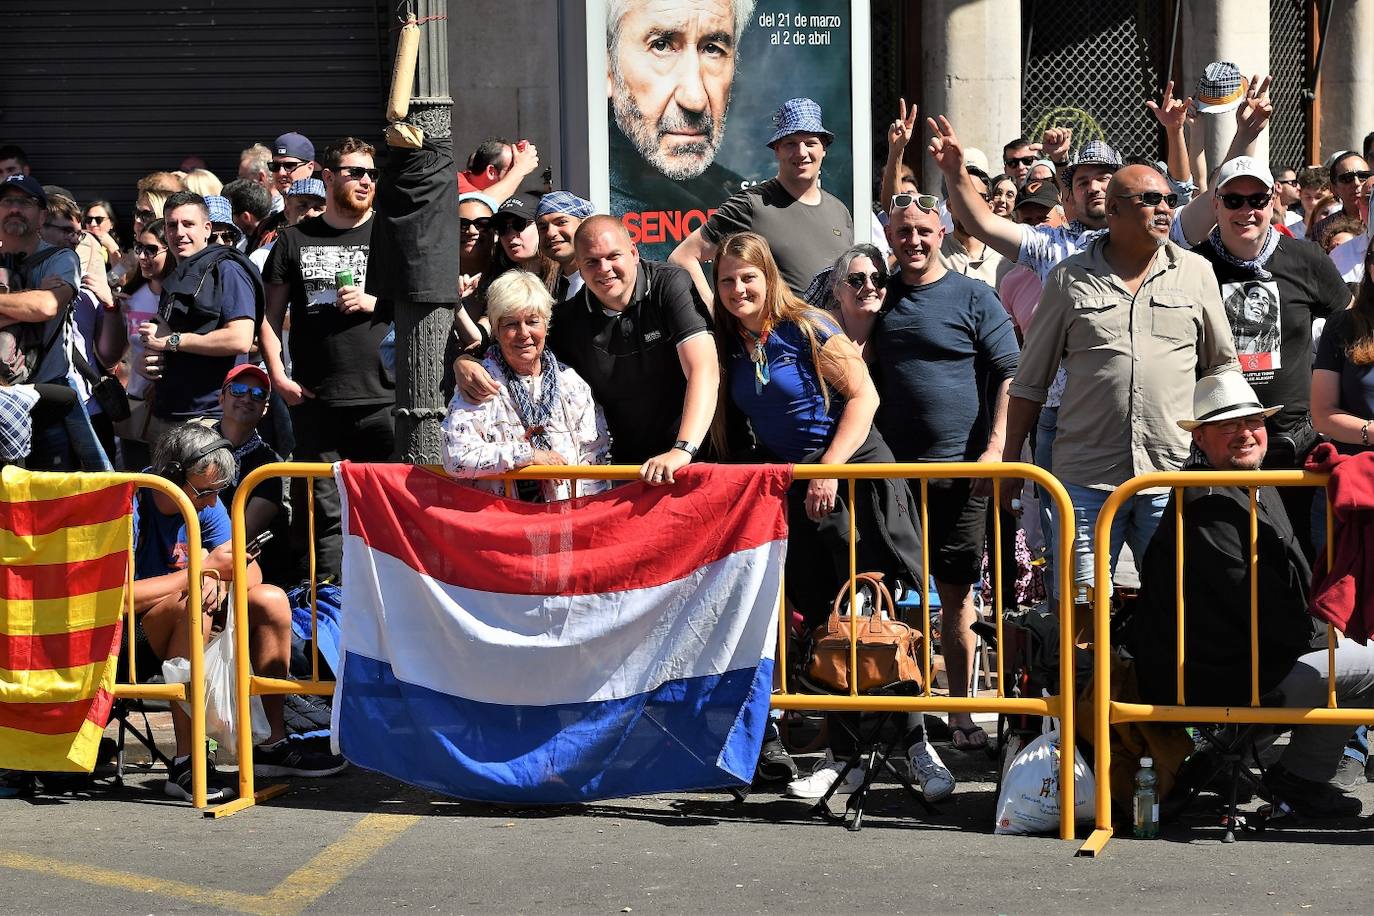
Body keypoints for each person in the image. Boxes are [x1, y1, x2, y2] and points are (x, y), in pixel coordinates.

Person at [708, 232, 948, 802]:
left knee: (881, 614)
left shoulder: (810, 325)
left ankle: (914, 746)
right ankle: (845, 758)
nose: (738, 289)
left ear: (769, 277)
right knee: (825, 619)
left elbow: (864, 397)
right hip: (796, 486)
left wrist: (831, 470)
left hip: (855, 476)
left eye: (749, 277)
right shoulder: (732, 340)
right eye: (726, 280)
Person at [1128, 374, 1374, 818]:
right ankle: (1291, 776)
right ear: (1199, 437)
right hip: (1223, 675)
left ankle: (1290, 773)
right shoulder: (1206, 501)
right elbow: (1265, 612)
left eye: (1254, 421)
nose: (1245, 434)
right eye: (1228, 426)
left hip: (1254, 660)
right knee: (1368, 662)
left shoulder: (1250, 482)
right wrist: (1331, 636)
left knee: (1360, 655)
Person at [1001, 164, 1240, 601]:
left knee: (1178, 612)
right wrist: (1011, 460)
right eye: (1150, 200)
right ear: (1112, 209)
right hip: (1085, 481)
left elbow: (1222, 369)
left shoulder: (1197, 273)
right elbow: (1030, 381)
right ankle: (1085, 673)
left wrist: (1233, 444)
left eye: (1168, 199)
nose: (1165, 208)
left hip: (1171, 474)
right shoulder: (1068, 279)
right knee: (1081, 615)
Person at [130, 424, 345, 804]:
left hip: (189, 614)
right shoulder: (130, 503)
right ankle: (187, 760)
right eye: (205, 491)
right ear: (171, 474)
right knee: (191, 603)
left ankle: (271, 743)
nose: (213, 503)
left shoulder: (205, 507)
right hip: (131, 637)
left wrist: (220, 579)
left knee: (271, 599)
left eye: (218, 492)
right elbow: (118, 597)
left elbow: (250, 570)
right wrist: (199, 573)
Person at [877, 193, 1020, 751]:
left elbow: (1012, 372)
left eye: (923, 231)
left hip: (960, 476)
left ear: (942, 233)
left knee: (956, 595)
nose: (913, 240)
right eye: (902, 230)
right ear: (890, 235)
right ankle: (903, 718)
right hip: (889, 480)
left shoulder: (974, 296)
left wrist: (995, 448)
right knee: (889, 597)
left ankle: (959, 711)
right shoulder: (874, 295)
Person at [455, 215, 718, 485]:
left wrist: (682, 450)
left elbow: (703, 369)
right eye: (591, 261)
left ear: (634, 252)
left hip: (696, 460)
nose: (604, 269)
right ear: (579, 266)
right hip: (628, 472)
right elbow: (516, 345)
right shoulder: (570, 319)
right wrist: (465, 361)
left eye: (613, 256)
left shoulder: (669, 285)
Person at [1194, 156, 1351, 559]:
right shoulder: (1193, 266)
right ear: (1215, 204)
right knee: (1226, 556)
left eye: (1257, 199)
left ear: (1274, 201)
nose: (1246, 211)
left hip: (1293, 444)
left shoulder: (1307, 258)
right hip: (1219, 443)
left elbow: (1351, 331)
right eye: (1233, 201)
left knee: (1298, 556)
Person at [261, 136, 392, 582]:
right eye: (356, 172)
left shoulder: (391, 233)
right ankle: (329, 619)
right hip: (317, 402)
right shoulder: (293, 239)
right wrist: (279, 376)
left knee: (386, 516)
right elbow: (269, 317)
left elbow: (424, 304)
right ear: (329, 176)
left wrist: (376, 302)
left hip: (385, 400)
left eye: (372, 174)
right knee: (324, 523)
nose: (365, 181)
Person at [442, 270, 610, 502]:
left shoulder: (572, 383)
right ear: (496, 330)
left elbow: (594, 462)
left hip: (565, 525)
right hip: (504, 527)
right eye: (511, 324)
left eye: (532, 322)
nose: (523, 334)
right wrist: (529, 456)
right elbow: (456, 457)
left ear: (546, 324)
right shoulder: (481, 381)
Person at [606, 0, 755, 259]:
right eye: (661, 45)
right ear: (607, 68)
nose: (695, 99)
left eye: (712, 48)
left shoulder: (739, 202)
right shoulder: (596, 204)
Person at [671, 97, 853, 302]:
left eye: (810, 143)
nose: (801, 153)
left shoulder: (839, 211)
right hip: (777, 334)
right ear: (777, 150)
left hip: (838, 333)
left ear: (824, 149)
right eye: (791, 144)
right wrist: (715, 315)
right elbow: (682, 258)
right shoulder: (751, 205)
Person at [139, 190, 262, 434]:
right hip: (170, 413)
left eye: (188, 224)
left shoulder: (228, 269)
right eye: (172, 225)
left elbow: (239, 339)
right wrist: (149, 363)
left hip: (209, 418)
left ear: (207, 228)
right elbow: (166, 343)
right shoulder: (178, 274)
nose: (179, 233)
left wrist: (172, 341)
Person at [214, 363, 291, 585]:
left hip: (240, 563)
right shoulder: (196, 444)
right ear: (222, 398)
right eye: (238, 390)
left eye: (258, 394)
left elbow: (242, 534)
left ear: (265, 409)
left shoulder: (270, 465)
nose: (247, 398)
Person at [1313, 232, 1374, 454]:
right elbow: (1322, 415)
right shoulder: (1342, 325)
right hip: (1361, 473)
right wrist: (1369, 432)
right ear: (1368, 266)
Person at [535, 191, 595, 302]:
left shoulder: (602, 280)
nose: (550, 233)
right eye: (543, 227)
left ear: (584, 225)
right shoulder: (552, 288)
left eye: (561, 222)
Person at [1310, 150, 1370, 244]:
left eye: (1363, 176)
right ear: (1333, 189)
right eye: (1347, 178)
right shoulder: (1322, 229)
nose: (1356, 183)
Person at [458, 137, 540, 204]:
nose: (512, 174)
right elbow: (480, 205)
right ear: (491, 172)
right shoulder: (455, 183)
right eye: (511, 168)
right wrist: (520, 168)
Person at [268, 132, 317, 200]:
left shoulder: (325, 208)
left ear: (310, 168)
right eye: (275, 166)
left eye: (289, 166)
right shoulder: (268, 208)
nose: (281, 173)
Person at [82, 198, 122, 265]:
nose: (93, 224)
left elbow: (121, 274)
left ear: (112, 223)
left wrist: (112, 247)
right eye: (89, 219)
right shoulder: (79, 244)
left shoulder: (125, 250)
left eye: (99, 219)